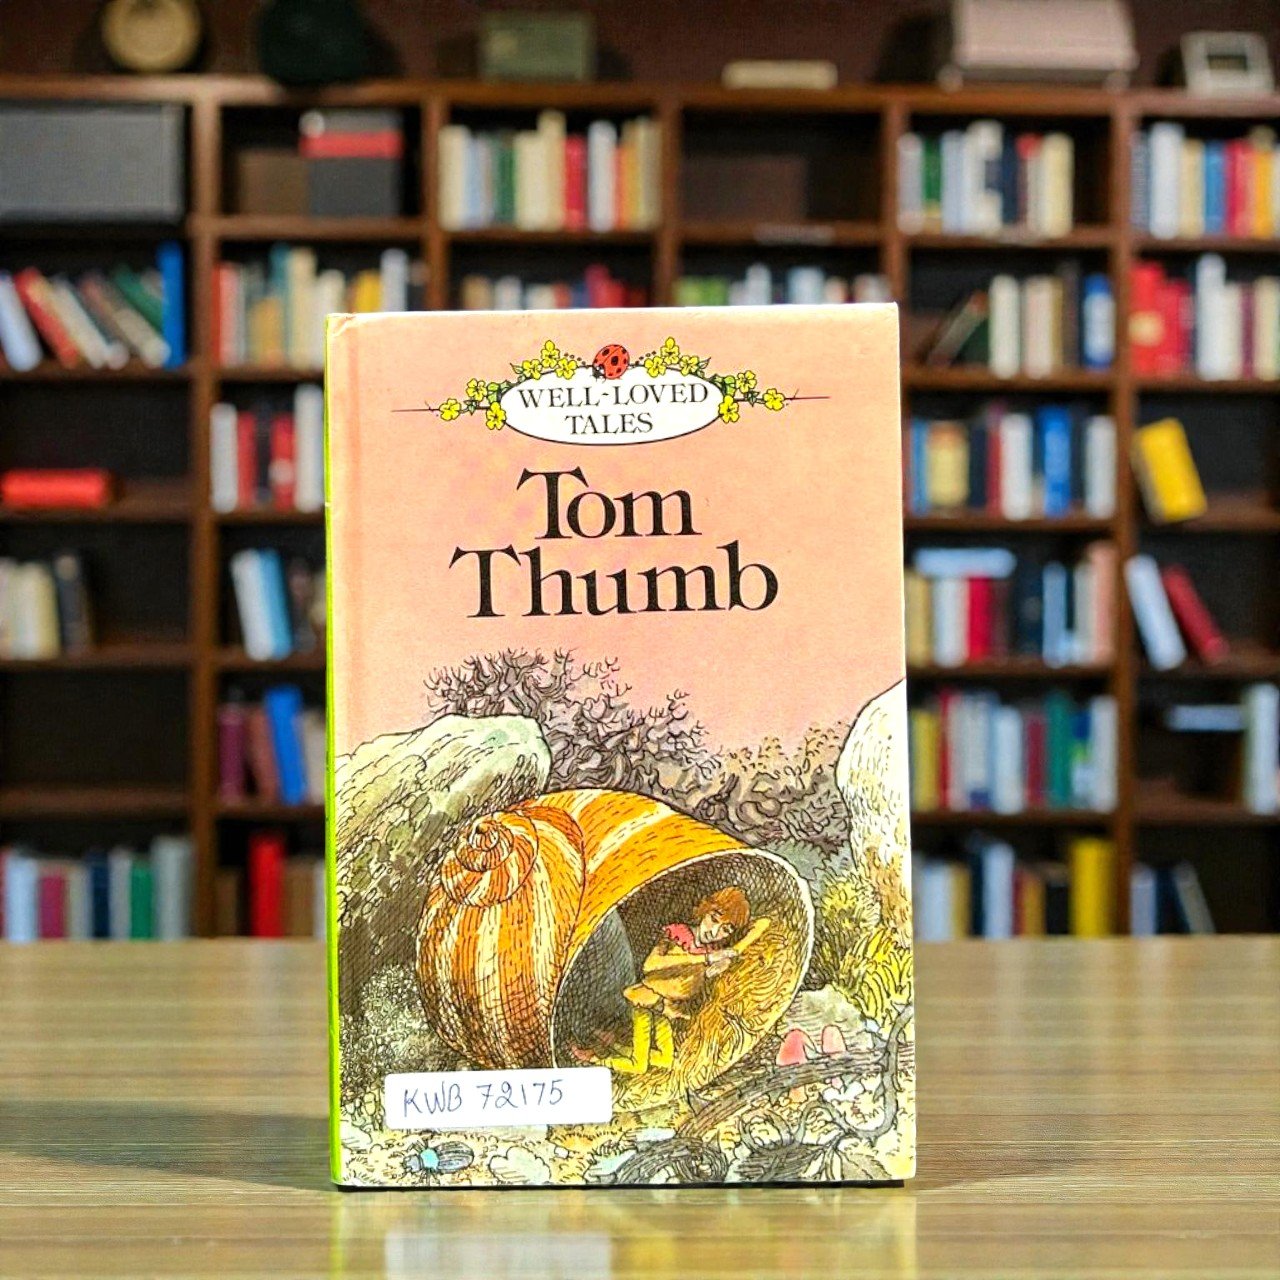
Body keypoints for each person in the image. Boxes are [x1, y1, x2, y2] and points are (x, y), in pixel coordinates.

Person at [584, 886, 760, 1075]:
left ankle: (614, 1044)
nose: (714, 931)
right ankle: (595, 1059)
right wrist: (703, 959)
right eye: (713, 919)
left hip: (666, 1008)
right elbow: (650, 965)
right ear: (704, 911)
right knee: (639, 1066)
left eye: (725, 930)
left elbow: (762, 923)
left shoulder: (712, 951)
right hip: (647, 1000)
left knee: (666, 1060)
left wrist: (721, 963)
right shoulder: (679, 934)